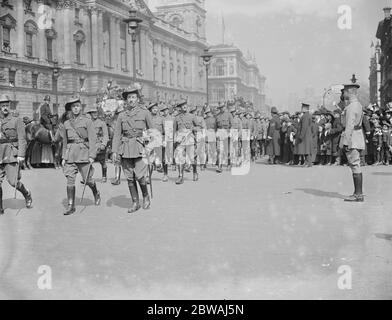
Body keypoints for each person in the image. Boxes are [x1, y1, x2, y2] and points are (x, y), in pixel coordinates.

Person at [112, 86, 153, 213]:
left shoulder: (145, 112)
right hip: (125, 148)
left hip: (140, 147)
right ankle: (135, 202)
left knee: (140, 176)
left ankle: (145, 196)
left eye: (133, 97)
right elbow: (117, 134)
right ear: (126, 100)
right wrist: (114, 151)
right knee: (130, 177)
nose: (131, 100)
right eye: (129, 97)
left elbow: (152, 131)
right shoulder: (121, 115)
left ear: (137, 99)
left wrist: (152, 147)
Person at [60, 96, 100, 216]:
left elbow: (93, 139)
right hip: (70, 154)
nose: (76, 108)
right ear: (70, 109)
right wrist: (63, 157)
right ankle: (71, 206)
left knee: (87, 180)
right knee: (70, 179)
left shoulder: (87, 121)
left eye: (77, 106)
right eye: (73, 107)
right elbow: (65, 142)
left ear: (80, 107)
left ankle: (96, 192)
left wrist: (92, 155)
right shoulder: (67, 123)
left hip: (83, 153)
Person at [0, 94, 33, 214]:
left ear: (10, 106)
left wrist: (21, 155)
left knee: (13, 182)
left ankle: (26, 193)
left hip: (10, 154)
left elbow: (22, 139)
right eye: (2, 105)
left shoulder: (16, 120)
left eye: (6, 105)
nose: (4, 107)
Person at [340, 82, 365, 202]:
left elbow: (349, 125)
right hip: (357, 136)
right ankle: (358, 193)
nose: (343, 94)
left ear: (349, 92)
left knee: (355, 165)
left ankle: (358, 195)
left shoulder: (351, 107)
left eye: (344, 91)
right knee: (356, 164)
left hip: (352, 138)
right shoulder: (358, 105)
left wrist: (345, 142)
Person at [173, 100, 199, 184]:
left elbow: (198, 127)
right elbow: (174, 130)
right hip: (180, 140)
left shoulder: (192, 116)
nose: (184, 107)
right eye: (182, 106)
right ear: (180, 108)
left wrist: (192, 128)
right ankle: (180, 176)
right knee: (179, 157)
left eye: (185, 105)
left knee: (191, 157)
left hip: (190, 139)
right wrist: (174, 140)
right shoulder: (177, 118)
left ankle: (195, 172)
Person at [85, 104, 109, 183]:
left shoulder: (102, 123)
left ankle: (104, 176)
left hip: (100, 144)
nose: (95, 114)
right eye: (93, 112)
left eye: (96, 112)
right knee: (88, 161)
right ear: (90, 114)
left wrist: (104, 144)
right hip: (91, 145)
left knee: (102, 162)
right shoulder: (88, 123)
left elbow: (106, 134)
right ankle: (88, 177)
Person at [215, 102, 233, 173]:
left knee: (227, 150)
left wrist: (230, 132)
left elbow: (232, 125)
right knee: (219, 150)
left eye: (222, 107)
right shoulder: (217, 116)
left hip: (227, 132)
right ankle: (220, 166)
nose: (221, 108)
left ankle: (229, 163)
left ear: (225, 107)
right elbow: (215, 126)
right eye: (220, 107)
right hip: (220, 132)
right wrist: (216, 133)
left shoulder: (229, 115)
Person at [295, 103, 313, 167]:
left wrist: (301, 136)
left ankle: (307, 163)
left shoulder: (305, 116)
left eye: (302, 107)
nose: (301, 109)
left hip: (305, 135)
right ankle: (308, 163)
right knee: (306, 149)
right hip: (307, 134)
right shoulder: (308, 115)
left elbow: (304, 127)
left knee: (306, 149)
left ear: (305, 109)